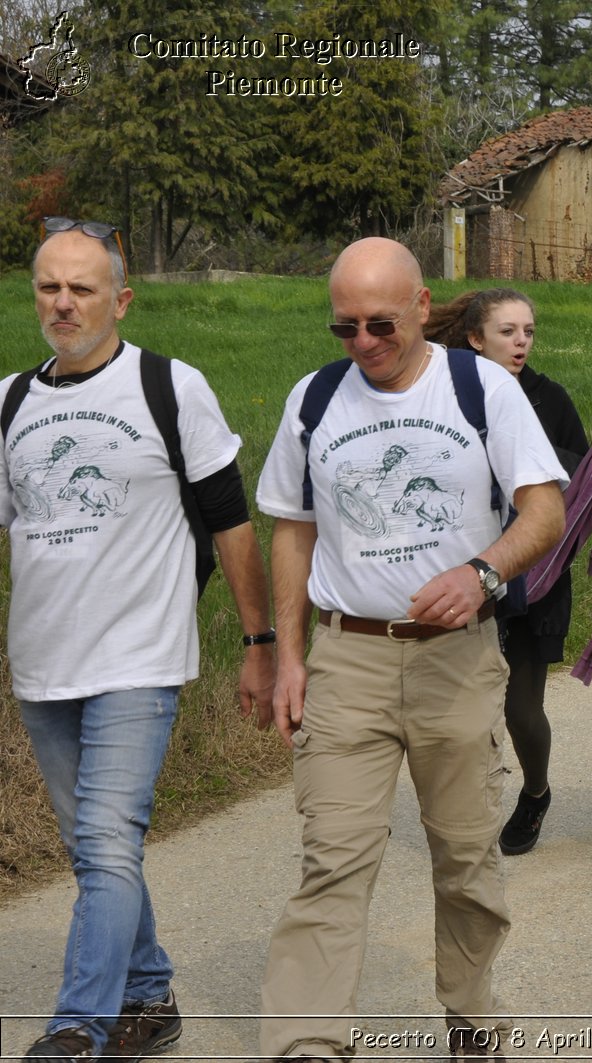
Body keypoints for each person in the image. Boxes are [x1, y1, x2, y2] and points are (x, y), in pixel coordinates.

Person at [255, 238, 568, 1060]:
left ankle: (471, 1020)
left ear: (423, 305)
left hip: (455, 656)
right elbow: (292, 529)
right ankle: (308, 1042)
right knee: (331, 861)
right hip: (346, 657)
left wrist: (483, 573)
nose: (363, 343)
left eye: (380, 324)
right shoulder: (314, 400)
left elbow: (544, 513)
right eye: (345, 328)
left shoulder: (481, 389)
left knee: (465, 855)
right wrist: (289, 658)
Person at [5, 219, 273, 1060]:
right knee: (97, 849)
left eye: (82, 288)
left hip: (139, 658)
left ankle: (78, 1026)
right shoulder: (9, 399)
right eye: (50, 285)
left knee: (107, 838)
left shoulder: (169, 386)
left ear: (119, 298)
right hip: (43, 664)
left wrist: (261, 640)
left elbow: (231, 522)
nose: (63, 302)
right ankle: (149, 994)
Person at [425, 289, 588, 857]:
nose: (521, 342)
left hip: (532, 580)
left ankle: (535, 792)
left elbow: (577, 497)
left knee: (520, 706)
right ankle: (468, 808)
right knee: (458, 707)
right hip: (459, 577)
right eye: (508, 332)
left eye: (529, 332)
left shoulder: (549, 400)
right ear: (475, 338)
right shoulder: (443, 394)